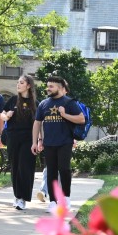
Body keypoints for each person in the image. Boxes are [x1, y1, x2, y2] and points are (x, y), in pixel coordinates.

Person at [34, 74, 83, 211]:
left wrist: (64, 115)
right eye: (47, 86)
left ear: (60, 88)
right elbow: (37, 123)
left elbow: (81, 119)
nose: (48, 89)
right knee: (51, 172)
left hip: (65, 142)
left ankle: (66, 198)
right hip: (49, 143)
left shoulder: (69, 102)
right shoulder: (43, 104)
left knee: (64, 169)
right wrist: (36, 141)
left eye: (51, 86)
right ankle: (53, 202)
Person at [1, 74, 39, 209]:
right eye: (18, 82)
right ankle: (17, 195)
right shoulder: (12, 100)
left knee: (26, 167)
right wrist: (6, 116)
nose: (18, 85)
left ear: (28, 85)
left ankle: (23, 198)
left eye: (21, 83)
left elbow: (39, 123)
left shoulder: (35, 103)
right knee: (15, 167)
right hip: (13, 137)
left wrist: (39, 140)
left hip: (29, 139)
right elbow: (2, 114)